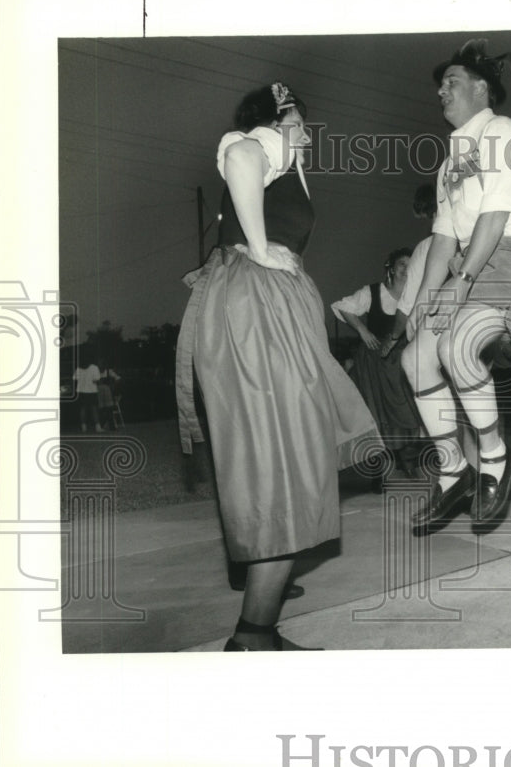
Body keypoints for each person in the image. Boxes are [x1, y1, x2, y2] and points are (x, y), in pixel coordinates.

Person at [175, 82, 379, 651]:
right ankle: (253, 635)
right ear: (278, 117)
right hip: (260, 299)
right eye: (299, 119)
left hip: (256, 303)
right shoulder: (269, 140)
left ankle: (260, 612)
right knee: (289, 459)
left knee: (276, 456)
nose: (307, 131)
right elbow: (240, 154)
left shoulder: (287, 159)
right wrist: (264, 251)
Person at [401, 38, 511, 532]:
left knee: (460, 345)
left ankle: (494, 460)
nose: (442, 90)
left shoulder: (501, 131)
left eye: (453, 81)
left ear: (482, 88)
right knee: (416, 356)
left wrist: (461, 282)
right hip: (472, 257)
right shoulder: (448, 163)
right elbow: (443, 238)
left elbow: (496, 212)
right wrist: (421, 303)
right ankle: (453, 473)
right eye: (440, 84)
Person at [332, 247, 423, 477]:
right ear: (391, 268)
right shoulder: (372, 292)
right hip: (375, 361)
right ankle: (378, 469)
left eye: (410, 265)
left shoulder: (418, 294)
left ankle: (408, 460)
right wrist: (363, 330)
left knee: (409, 411)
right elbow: (342, 307)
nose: (406, 269)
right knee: (376, 413)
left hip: (403, 361)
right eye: (401, 264)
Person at [72, 355, 102, 433]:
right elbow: (97, 380)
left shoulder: (78, 368)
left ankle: (84, 427)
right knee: (94, 409)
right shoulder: (94, 368)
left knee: (83, 409)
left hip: (81, 391)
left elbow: (74, 379)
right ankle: (97, 427)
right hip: (92, 391)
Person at [96, 360, 122, 431]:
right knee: (101, 409)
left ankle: (112, 426)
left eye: (102, 364)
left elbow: (118, 378)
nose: (101, 366)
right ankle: (101, 425)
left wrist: (113, 386)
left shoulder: (108, 371)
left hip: (107, 391)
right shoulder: (95, 372)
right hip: (98, 391)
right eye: (99, 364)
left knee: (109, 408)